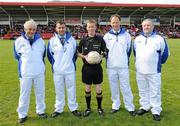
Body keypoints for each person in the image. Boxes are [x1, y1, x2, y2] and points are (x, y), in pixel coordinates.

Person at [133, 19, 169, 121]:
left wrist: (158, 63)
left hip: (154, 71)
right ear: (142, 27)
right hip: (140, 71)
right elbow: (135, 53)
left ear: (153, 26)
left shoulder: (159, 39)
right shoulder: (137, 39)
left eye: (148, 25)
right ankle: (144, 107)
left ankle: (156, 110)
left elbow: (165, 54)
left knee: (155, 91)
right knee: (142, 90)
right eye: (144, 25)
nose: (146, 27)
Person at [13, 19, 47, 123]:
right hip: (25, 73)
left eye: (33, 29)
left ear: (36, 30)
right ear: (24, 29)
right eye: (29, 29)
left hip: (39, 72)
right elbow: (17, 56)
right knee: (24, 94)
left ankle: (40, 111)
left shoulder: (40, 41)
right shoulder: (18, 41)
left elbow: (43, 55)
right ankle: (22, 114)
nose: (31, 31)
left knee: (40, 93)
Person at [47, 20, 81, 118]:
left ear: (66, 28)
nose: (61, 29)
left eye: (63, 27)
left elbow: (75, 55)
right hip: (57, 71)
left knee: (72, 90)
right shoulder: (52, 41)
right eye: (59, 27)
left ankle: (73, 108)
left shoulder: (72, 40)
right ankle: (59, 109)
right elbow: (49, 56)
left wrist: (69, 63)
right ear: (56, 29)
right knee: (59, 90)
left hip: (70, 70)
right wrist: (56, 64)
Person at [103, 14, 135, 116]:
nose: (115, 24)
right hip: (111, 67)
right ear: (110, 23)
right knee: (114, 87)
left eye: (117, 22)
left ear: (120, 22)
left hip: (123, 66)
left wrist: (123, 60)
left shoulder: (127, 35)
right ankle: (115, 105)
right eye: (113, 22)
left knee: (126, 87)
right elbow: (105, 51)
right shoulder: (106, 36)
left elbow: (129, 51)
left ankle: (130, 107)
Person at [77, 19, 107, 117]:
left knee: (98, 89)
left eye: (93, 26)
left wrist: (100, 57)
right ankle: (88, 108)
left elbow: (105, 51)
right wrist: (84, 57)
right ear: (87, 28)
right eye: (89, 27)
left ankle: (99, 108)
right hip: (87, 68)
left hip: (97, 68)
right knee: (88, 88)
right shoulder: (83, 40)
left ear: (95, 27)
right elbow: (77, 53)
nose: (91, 28)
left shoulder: (100, 39)